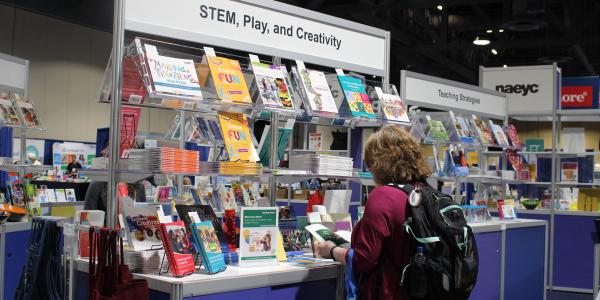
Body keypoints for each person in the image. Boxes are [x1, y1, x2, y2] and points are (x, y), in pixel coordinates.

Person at [315, 125, 431, 300]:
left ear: (380, 162)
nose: (369, 170)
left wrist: (332, 250)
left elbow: (364, 259)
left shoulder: (383, 197)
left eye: (370, 164)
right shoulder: (426, 191)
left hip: (389, 292)